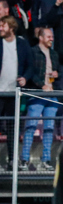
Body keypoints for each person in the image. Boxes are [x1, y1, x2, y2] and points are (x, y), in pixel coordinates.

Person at [21, 28, 60, 172]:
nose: (52, 39)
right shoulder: (32, 52)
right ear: (41, 38)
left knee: (49, 128)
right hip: (37, 94)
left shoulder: (54, 54)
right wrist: (41, 85)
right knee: (31, 126)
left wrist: (57, 73)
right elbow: (30, 72)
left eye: (52, 36)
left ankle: (46, 160)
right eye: (49, 36)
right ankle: (24, 159)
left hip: (51, 94)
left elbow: (58, 72)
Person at [0, 16, 31, 171]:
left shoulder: (22, 44)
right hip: (0, 92)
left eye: (2, 26)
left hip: (14, 93)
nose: (0, 28)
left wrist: (25, 77)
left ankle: (12, 160)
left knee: (13, 128)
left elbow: (30, 65)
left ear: (11, 27)